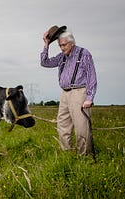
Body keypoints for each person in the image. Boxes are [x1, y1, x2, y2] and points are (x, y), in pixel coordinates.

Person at [40, 25, 97, 155]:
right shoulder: (61, 57)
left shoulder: (84, 54)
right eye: (60, 45)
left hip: (79, 93)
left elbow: (91, 76)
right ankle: (68, 155)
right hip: (64, 94)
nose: (62, 48)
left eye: (64, 45)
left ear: (72, 43)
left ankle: (85, 157)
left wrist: (89, 98)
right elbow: (45, 63)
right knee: (62, 127)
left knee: (81, 128)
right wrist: (46, 44)